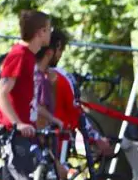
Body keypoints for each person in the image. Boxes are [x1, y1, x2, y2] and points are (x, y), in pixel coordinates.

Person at [0, 9, 53, 180]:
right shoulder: (19, 55)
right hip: (14, 134)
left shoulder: (28, 57)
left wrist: (49, 119)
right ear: (40, 32)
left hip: (19, 131)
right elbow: (1, 93)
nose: (50, 34)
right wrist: (17, 123)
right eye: (48, 29)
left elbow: (25, 98)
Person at [46, 29, 114, 159]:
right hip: (57, 143)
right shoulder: (61, 76)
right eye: (61, 51)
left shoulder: (26, 69)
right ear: (57, 46)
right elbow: (76, 112)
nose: (60, 56)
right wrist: (97, 139)